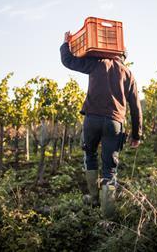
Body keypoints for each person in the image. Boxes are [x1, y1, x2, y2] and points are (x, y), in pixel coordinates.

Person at [60, 31, 142, 219]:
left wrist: (65, 44)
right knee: (110, 169)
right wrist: (136, 135)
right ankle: (107, 216)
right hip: (114, 123)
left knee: (89, 154)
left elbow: (69, 61)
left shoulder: (97, 63)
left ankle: (94, 198)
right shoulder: (128, 74)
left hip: (92, 119)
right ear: (123, 56)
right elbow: (135, 107)